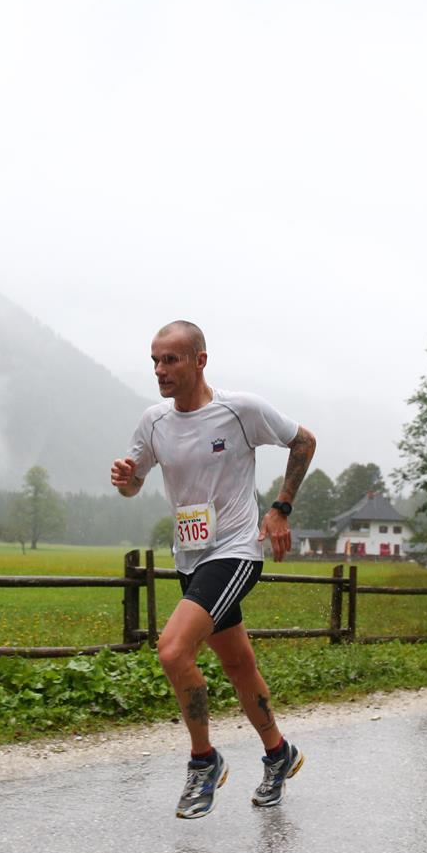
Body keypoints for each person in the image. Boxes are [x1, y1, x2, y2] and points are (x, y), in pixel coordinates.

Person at [111, 320, 317, 818]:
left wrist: (281, 508)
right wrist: (125, 480)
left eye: (171, 359)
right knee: (238, 665)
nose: (160, 370)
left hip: (236, 551)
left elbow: (304, 441)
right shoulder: (153, 422)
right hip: (191, 556)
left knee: (172, 649)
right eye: (155, 361)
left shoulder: (240, 411)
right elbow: (134, 485)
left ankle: (204, 760)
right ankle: (278, 752)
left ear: (200, 360)